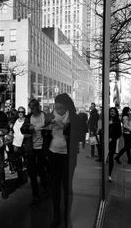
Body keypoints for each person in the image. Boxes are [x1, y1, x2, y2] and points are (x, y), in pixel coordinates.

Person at [47, 93, 86, 228]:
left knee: (67, 186)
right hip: (53, 154)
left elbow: (81, 136)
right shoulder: (51, 116)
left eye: (62, 109)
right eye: (57, 108)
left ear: (68, 107)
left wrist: (65, 128)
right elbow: (44, 133)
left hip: (68, 156)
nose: (59, 111)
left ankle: (66, 215)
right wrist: (47, 129)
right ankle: (56, 216)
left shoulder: (74, 118)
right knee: (55, 186)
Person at [20, 99, 50, 205]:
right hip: (31, 148)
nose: (32, 109)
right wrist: (28, 127)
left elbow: (52, 128)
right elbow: (22, 129)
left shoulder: (45, 116)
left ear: (38, 106)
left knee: (42, 169)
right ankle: (35, 195)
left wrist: (46, 131)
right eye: (31, 108)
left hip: (43, 148)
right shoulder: (29, 117)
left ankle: (45, 187)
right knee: (32, 172)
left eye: (34, 107)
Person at [8, 106, 26, 184]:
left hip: (24, 143)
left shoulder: (26, 121)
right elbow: (12, 130)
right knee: (18, 161)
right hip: (15, 143)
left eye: (22, 112)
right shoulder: (15, 120)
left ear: (24, 113)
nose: (20, 113)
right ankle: (20, 178)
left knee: (26, 161)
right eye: (19, 112)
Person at [108, 107, 122, 182]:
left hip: (112, 142)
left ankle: (109, 174)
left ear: (116, 113)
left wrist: (112, 138)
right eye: (111, 111)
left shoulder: (117, 121)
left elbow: (119, 133)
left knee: (110, 158)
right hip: (104, 141)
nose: (112, 112)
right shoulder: (105, 120)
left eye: (114, 111)